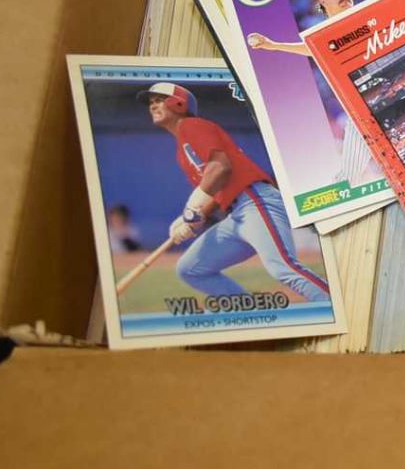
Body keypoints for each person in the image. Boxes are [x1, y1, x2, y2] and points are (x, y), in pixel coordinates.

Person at [140, 82, 329, 303]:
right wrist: (189, 221)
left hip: (255, 202)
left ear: (178, 103)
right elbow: (212, 193)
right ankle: (251, 312)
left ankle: (336, 306)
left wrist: (191, 208)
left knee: (283, 268)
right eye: (151, 102)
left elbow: (220, 168)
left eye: (159, 100)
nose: (152, 106)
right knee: (190, 269)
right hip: (235, 215)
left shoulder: (192, 125)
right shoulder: (182, 149)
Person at [243, 0, 381, 188]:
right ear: (323, 2)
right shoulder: (323, 33)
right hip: (360, 97)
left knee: (357, 160)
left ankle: (347, 184)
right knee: (354, 160)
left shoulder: (366, 15)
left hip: (382, 82)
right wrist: (273, 45)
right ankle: (346, 186)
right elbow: (314, 49)